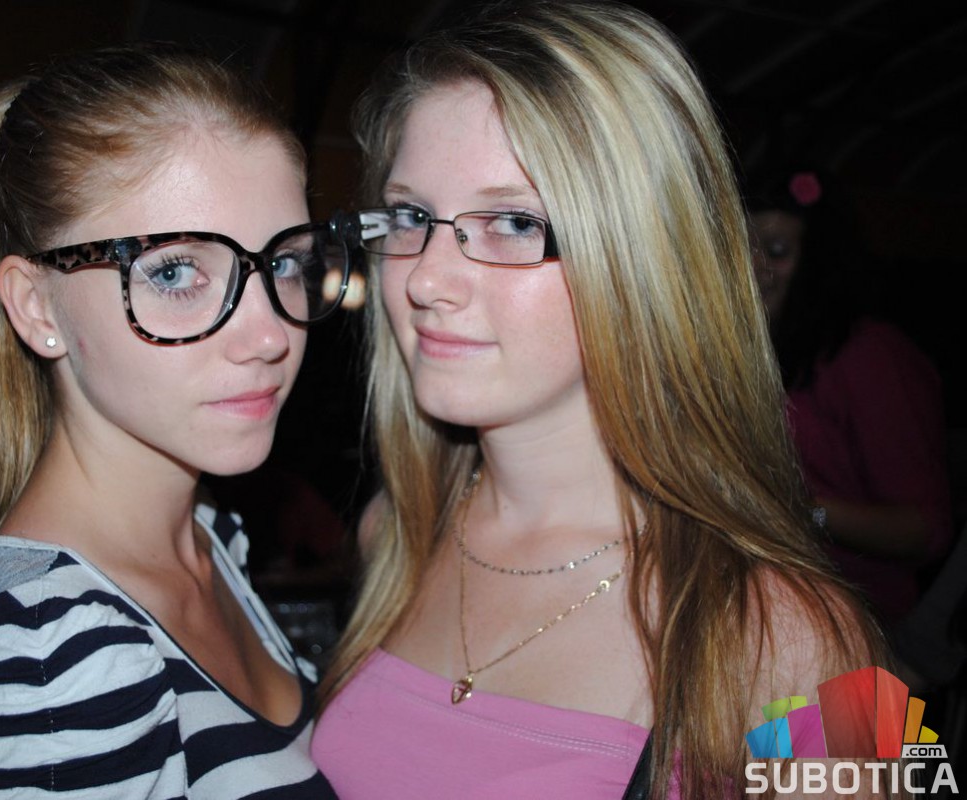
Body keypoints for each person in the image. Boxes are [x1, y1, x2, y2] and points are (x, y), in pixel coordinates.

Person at [311, 4, 889, 798]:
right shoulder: (394, 532)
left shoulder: (803, 633)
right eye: (411, 217)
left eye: (514, 221)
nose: (426, 279)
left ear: (643, 256)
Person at [0, 42, 350, 798]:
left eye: (283, 263)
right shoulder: (48, 658)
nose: (269, 335)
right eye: (175, 271)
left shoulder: (211, 539)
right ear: (36, 307)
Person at [748, 170, 952, 625]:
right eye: (743, 248)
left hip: (865, 626)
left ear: (818, 263)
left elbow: (925, 530)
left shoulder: (869, 354)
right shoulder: (754, 352)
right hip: (777, 614)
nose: (755, 266)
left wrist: (806, 512)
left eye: (776, 251)